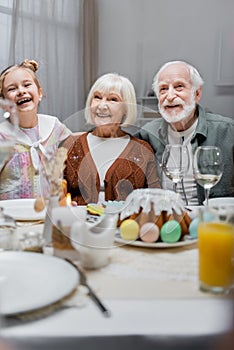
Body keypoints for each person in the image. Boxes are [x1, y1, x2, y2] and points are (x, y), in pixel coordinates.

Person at [136, 60, 234, 205]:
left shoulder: (228, 131)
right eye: (163, 89)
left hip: (212, 221)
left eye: (179, 87)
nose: (170, 96)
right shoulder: (146, 135)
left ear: (197, 93)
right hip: (165, 221)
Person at [63, 73, 160, 205]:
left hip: (124, 224)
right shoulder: (70, 145)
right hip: (78, 224)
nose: (102, 105)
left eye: (112, 99)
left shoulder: (142, 150)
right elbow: (55, 193)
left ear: (126, 108)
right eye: (97, 97)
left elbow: (155, 199)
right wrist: (64, 204)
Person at [0, 59, 71, 199]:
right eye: (12, 89)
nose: (21, 91)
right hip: (11, 215)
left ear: (39, 93)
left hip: (49, 214)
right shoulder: (2, 136)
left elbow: (77, 149)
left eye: (27, 85)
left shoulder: (54, 127)